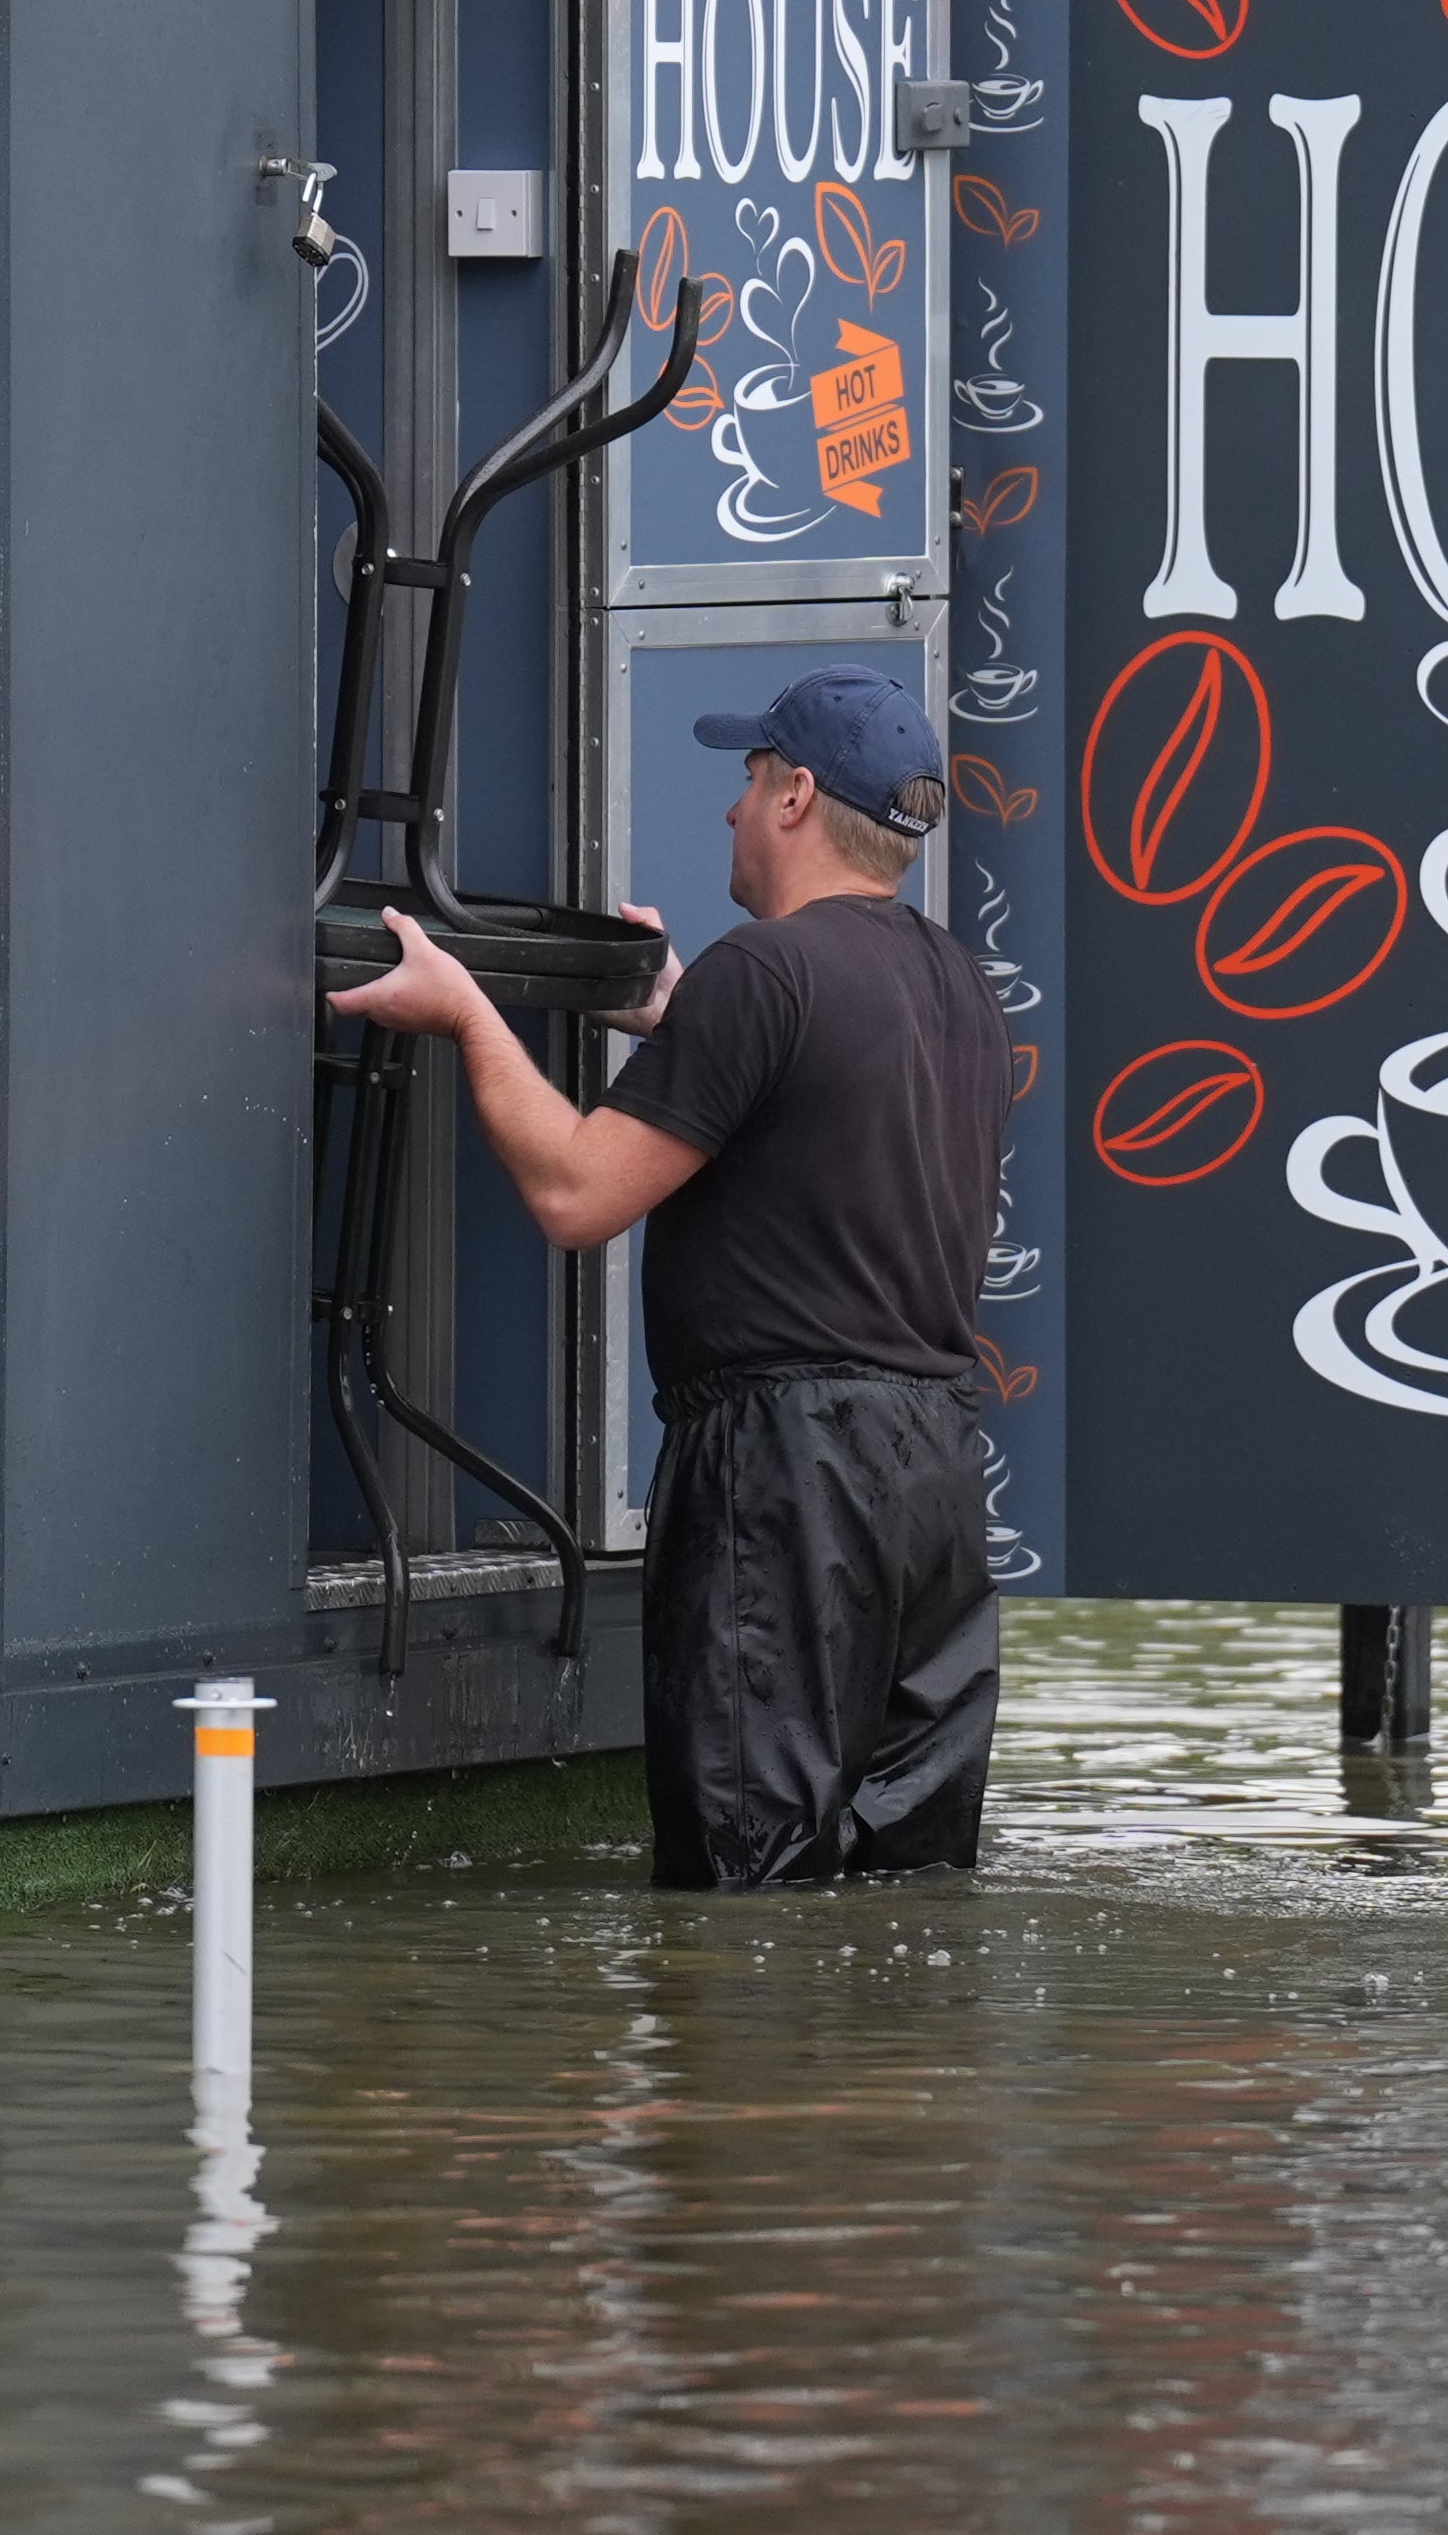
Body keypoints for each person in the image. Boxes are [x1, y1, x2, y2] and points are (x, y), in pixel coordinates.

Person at [324, 663, 1006, 1888]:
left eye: (746, 783)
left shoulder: (766, 971)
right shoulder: (957, 987)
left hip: (787, 1463)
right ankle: (907, 2080)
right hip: (940, 1472)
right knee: (912, 1880)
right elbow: (822, 1118)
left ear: (796, 794)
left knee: (746, 1873)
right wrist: (686, 1022)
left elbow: (578, 1197)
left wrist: (467, 1012)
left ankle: (735, 2083)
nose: (730, 813)